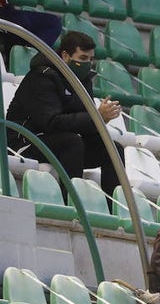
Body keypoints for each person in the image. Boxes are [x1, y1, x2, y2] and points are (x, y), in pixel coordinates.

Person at [4, 30, 123, 198]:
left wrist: (101, 122)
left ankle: (115, 210)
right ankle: (72, 203)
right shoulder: (41, 77)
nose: (88, 64)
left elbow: (83, 125)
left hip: (57, 143)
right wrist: (96, 117)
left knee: (112, 148)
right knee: (71, 141)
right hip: (23, 143)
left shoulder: (83, 81)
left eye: (91, 59)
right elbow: (51, 122)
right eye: (82, 58)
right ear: (66, 55)